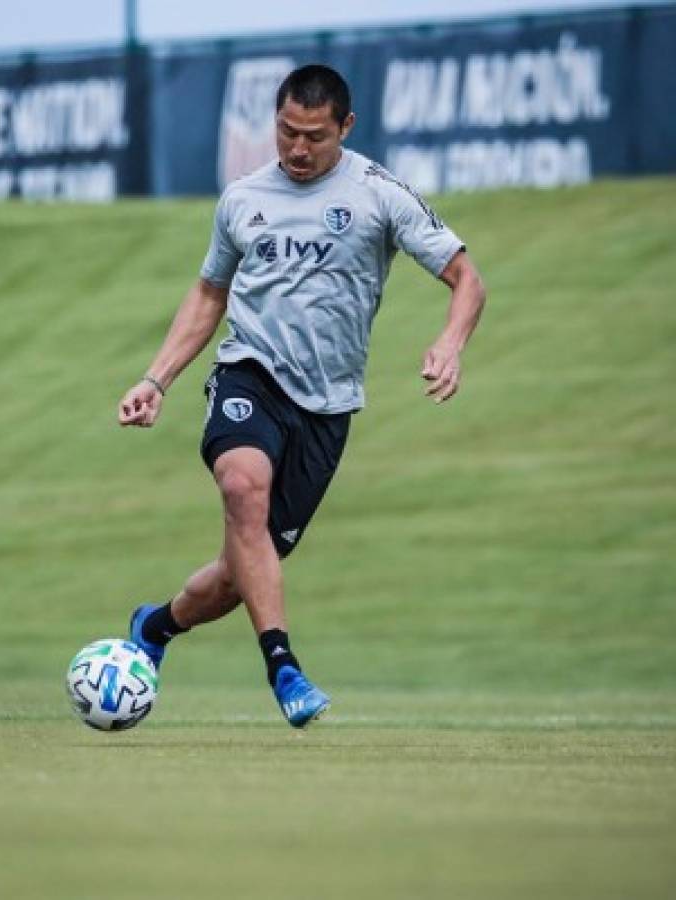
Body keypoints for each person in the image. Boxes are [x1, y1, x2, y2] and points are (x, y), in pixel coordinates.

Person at [118, 64, 485, 728]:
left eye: (314, 135)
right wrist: (155, 378)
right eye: (286, 132)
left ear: (345, 127)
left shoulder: (380, 194)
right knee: (241, 487)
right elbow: (209, 293)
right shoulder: (242, 197)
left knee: (239, 575)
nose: (296, 148)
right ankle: (284, 667)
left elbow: (466, 277)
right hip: (249, 375)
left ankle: (155, 626)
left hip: (327, 407)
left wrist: (451, 343)